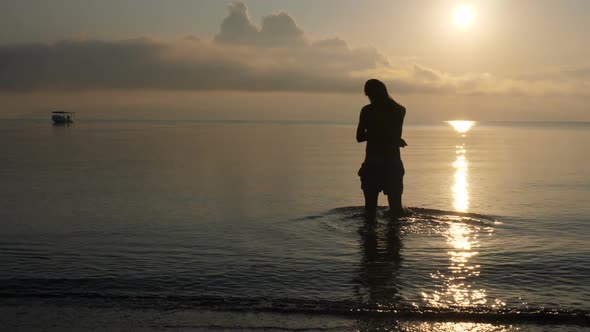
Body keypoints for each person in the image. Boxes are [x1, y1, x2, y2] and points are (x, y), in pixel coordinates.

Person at [356, 79, 408, 221]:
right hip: (393, 164)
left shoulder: (367, 111)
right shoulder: (399, 110)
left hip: (373, 164)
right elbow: (395, 136)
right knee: (396, 211)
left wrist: (373, 133)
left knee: (370, 212)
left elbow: (359, 137)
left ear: (368, 94)